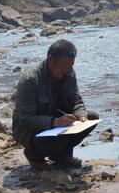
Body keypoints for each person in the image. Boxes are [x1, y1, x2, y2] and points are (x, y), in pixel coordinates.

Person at [12, 39, 98, 170]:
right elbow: (26, 120)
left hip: (58, 122)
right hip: (30, 131)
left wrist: (81, 116)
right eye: (63, 65)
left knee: (92, 117)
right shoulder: (30, 80)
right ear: (50, 59)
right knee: (59, 136)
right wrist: (55, 122)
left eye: (70, 65)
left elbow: (76, 98)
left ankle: (61, 155)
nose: (66, 70)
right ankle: (34, 155)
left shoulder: (69, 72)